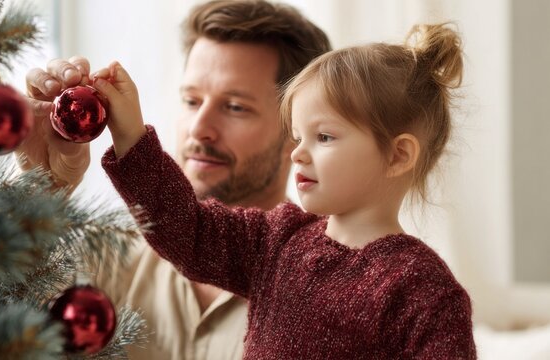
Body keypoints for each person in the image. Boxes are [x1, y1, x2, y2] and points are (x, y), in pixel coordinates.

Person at [87, 22, 477, 359]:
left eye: (323, 136)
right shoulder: (277, 239)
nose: (299, 153)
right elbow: (187, 228)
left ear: (398, 156)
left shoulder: (423, 291)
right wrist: (130, 135)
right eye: (297, 137)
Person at [17, 1, 331, 359]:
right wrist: (41, 194)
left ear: (298, 129)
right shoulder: (111, 260)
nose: (200, 128)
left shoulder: (328, 287)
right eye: (191, 100)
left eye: (235, 107)